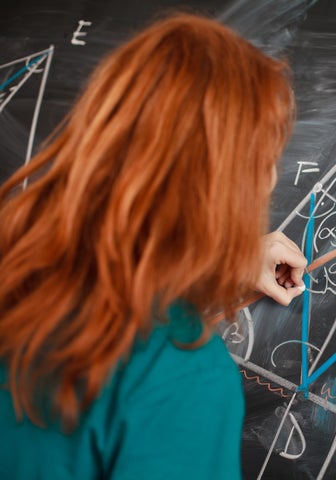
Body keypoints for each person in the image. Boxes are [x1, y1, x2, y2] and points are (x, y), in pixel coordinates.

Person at [0, 13, 306, 479]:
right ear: (226, 184)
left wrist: (218, 268)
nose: (272, 178)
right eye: (266, 159)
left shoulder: (18, 274)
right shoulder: (185, 380)